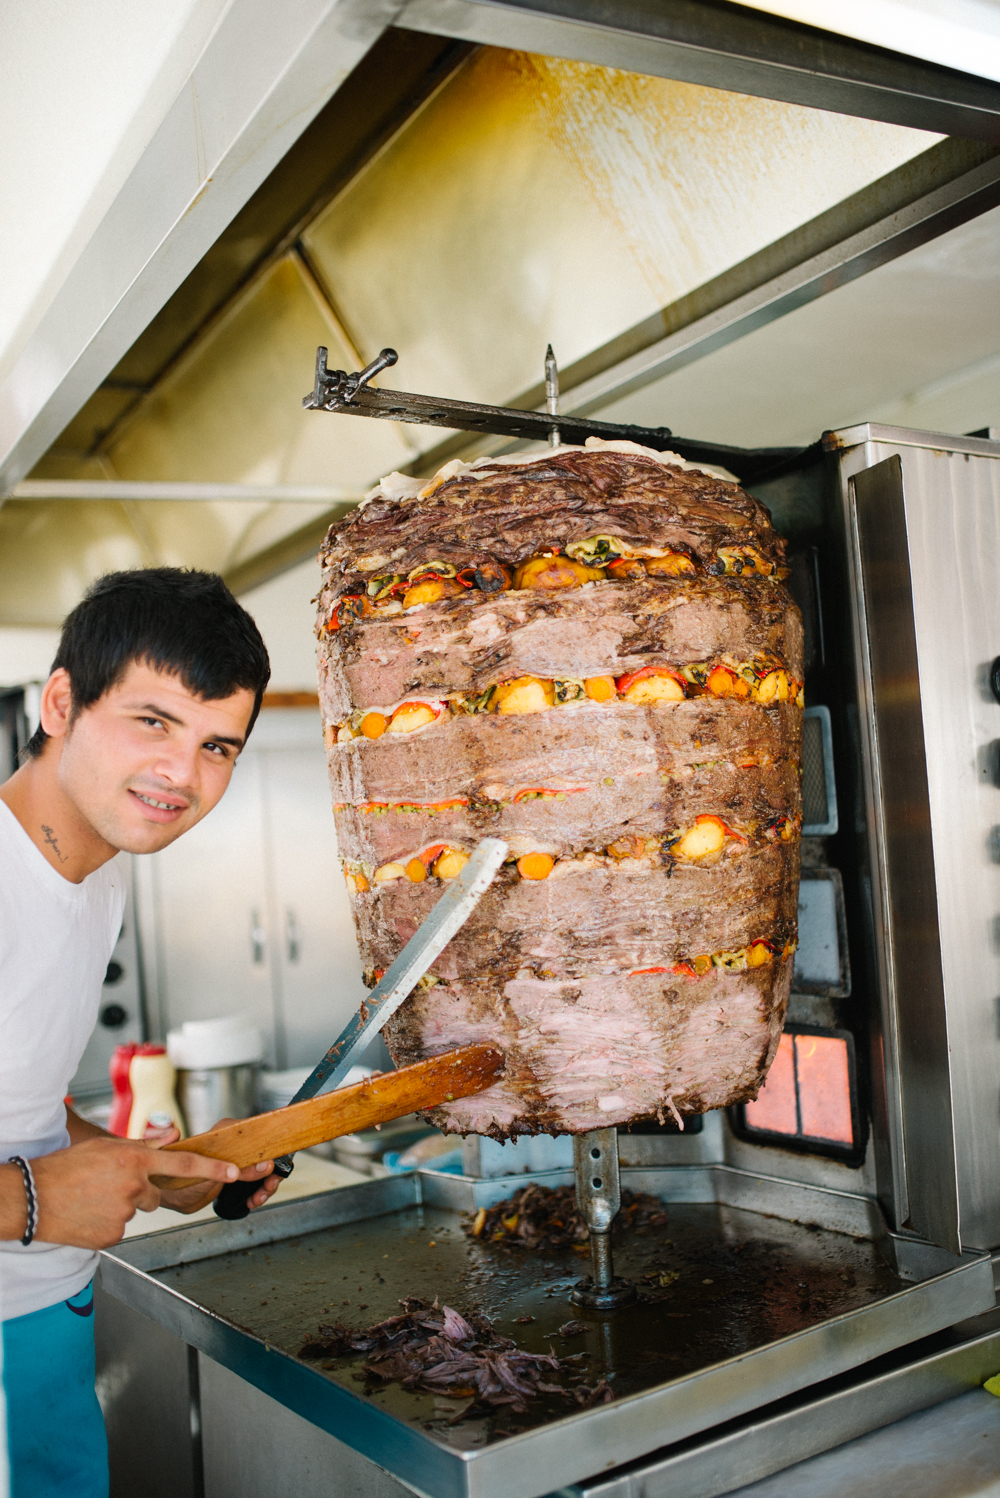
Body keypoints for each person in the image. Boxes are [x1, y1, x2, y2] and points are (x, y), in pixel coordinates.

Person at [0, 568, 282, 1497]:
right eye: (152, 722)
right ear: (60, 704)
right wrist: (36, 1204)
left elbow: (21, 1113)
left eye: (217, 745)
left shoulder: (100, 875)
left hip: (43, 1315)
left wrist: (137, 1169)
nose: (183, 775)